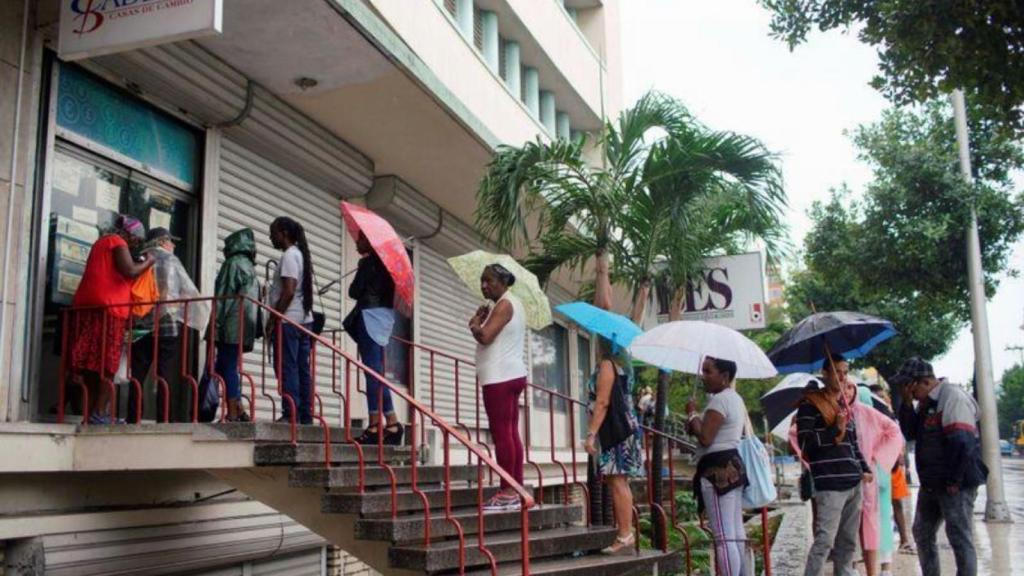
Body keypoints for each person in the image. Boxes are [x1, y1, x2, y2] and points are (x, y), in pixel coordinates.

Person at [893, 357, 986, 576]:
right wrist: (906, 405)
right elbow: (910, 433)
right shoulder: (926, 404)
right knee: (922, 532)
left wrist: (954, 481)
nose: (907, 392)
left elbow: (962, 442)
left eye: (907, 387)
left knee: (959, 538)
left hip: (955, 484)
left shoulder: (952, 397)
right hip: (932, 483)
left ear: (920, 382)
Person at [71, 215, 153, 423]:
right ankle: (99, 413)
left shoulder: (100, 243)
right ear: (128, 233)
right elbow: (130, 270)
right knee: (109, 364)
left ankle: (91, 414)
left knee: (92, 363)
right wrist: (150, 261)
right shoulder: (117, 242)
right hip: (110, 310)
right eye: (135, 239)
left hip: (90, 308)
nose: (135, 243)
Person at [797, 353, 873, 576]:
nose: (842, 377)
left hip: (853, 481)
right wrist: (833, 430)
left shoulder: (843, 405)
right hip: (829, 483)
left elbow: (852, 443)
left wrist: (864, 468)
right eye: (837, 372)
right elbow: (806, 445)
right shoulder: (810, 405)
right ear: (825, 374)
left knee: (848, 542)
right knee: (824, 541)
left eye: (846, 372)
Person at [128, 227, 209, 423]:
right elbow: (185, 291)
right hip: (166, 326)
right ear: (163, 242)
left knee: (137, 373)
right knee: (164, 373)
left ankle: (133, 418)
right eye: (171, 241)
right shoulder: (170, 261)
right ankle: (164, 419)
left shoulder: (139, 259)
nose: (173, 245)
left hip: (140, 325)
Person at [470, 264, 528, 511]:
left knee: (502, 434)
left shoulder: (504, 304)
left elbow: (485, 337)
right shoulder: (508, 304)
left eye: (489, 281)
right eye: (482, 280)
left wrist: (474, 324)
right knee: (511, 433)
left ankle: (507, 491)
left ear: (503, 282)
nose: (484, 285)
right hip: (510, 374)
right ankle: (516, 487)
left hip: (499, 377)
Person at [685, 357, 750, 576]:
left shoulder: (720, 401)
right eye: (703, 370)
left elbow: (705, 438)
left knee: (723, 536)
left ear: (724, 376)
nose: (703, 375)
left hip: (717, 470)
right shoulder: (735, 398)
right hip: (733, 466)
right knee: (735, 533)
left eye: (708, 371)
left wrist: (692, 412)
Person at [584, 336, 645, 555]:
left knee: (618, 481)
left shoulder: (608, 365)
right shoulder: (624, 366)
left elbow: (602, 401)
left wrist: (590, 434)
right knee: (618, 480)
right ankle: (625, 532)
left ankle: (625, 534)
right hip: (624, 428)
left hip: (614, 430)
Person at [845, 381, 904, 576]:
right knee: (873, 522)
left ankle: (867, 567)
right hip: (877, 475)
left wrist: (875, 459)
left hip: (874, 477)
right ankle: (881, 567)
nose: (847, 392)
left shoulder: (871, 417)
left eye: (849, 388)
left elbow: (896, 436)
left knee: (865, 522)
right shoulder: (852, 416)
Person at [346, 232, 399, 445]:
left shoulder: (368, 263)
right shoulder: (389, 265)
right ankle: (391, 424)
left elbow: (353, 291)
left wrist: (361, 269)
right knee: (376, 372)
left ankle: (377, 424)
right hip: (384, 318)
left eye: (360, 239)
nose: (357, 242)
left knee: (372, 372)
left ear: (371, 240)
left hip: (369, 315)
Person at [267, 216, 315, 425]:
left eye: (273, 233)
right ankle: (305, 414)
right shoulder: (300, 255)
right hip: (304, 320)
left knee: (288, 366)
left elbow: (288, 290)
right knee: (302, 368)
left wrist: (274, 318)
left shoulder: (289, 256)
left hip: (289, 321)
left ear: (284, 233)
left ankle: (291, 412)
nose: (271, 238)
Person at [213, 228, 259, 422]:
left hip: (230, 323)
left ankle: (233, 411)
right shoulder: (249, 266)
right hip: (245, 324)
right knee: (221, 366)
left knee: (228, 366)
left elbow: (223, 296)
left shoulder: (232, 264)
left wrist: (215, 324)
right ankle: (238, 408)